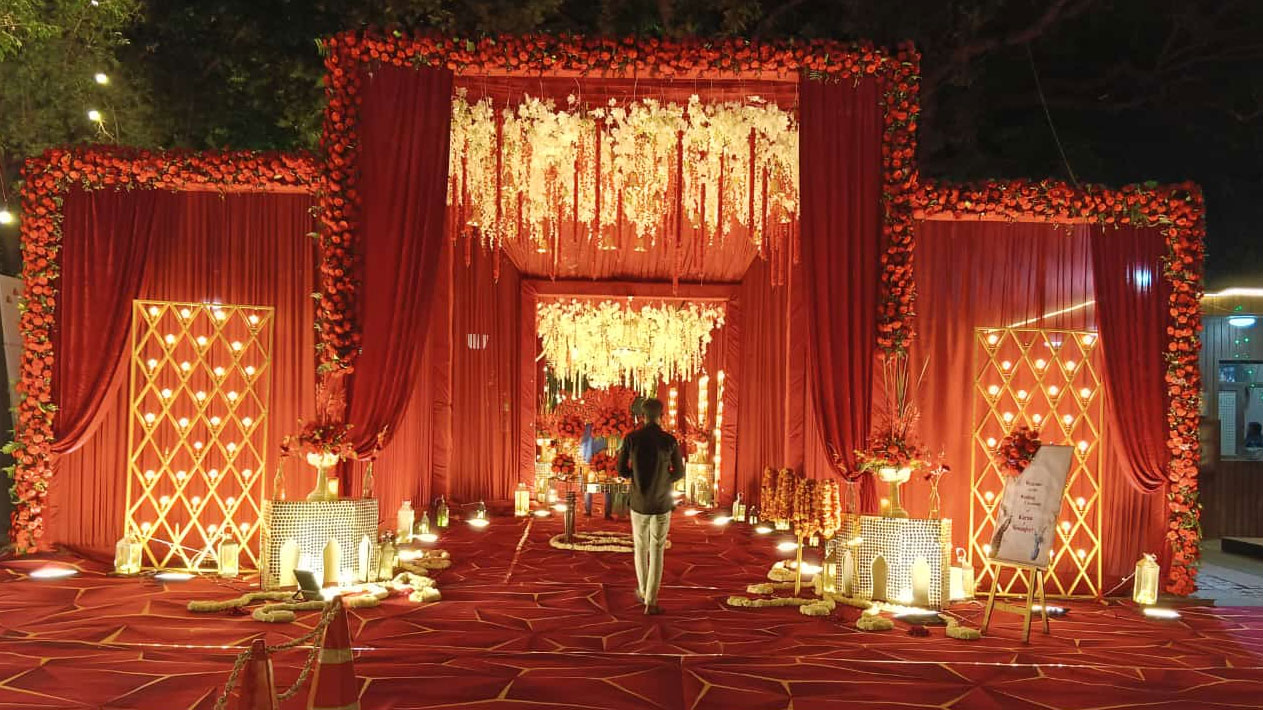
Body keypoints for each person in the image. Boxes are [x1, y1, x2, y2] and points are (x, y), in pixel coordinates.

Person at [617, 398, 685, 615]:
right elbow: (679, 472)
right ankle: (651, 601)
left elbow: (621, 470)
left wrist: (636, 477)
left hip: (639, 501)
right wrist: (664, 480)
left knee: (640, 547)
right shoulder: (669, 440)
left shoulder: (631, 439)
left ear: (642, 416)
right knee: (657, 549)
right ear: (661, 416)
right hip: (662, 502)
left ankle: (644, 590)